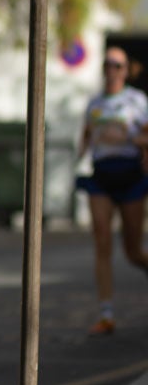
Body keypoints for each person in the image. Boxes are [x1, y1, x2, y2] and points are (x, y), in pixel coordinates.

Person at [74, 45, 148, 336]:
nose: (112, 70)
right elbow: (85, 138)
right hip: (101, 177)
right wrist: (76, 160)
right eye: (107, 64)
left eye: (118, 65)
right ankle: (106, 314)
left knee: (132, 251)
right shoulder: (94, 104)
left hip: (129, 176)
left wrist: (130, 137)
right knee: (101, 240)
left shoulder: (137, 101)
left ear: (126, 70)